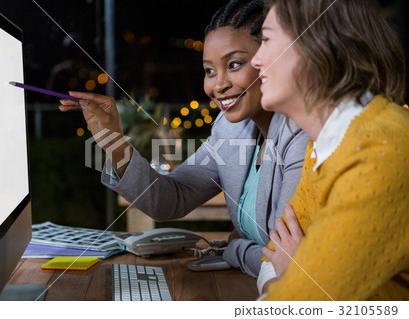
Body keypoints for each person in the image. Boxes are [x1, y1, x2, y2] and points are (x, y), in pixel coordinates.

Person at [59, 0, 308, 278]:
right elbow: (170, 200)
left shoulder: (301, 136)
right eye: (210, 70)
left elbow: (285, 262)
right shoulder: (229, 129)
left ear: (270, 59)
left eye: (234, 64)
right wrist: (113, 141)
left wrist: (234, 248)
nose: (218, 85)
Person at [250, 0, 409, 300]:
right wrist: (288, 276)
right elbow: (274, 252)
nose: (256, 60)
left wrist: (295, 273)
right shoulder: (323, 147)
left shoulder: (377, 150)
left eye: (267, 40)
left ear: (315, 45)